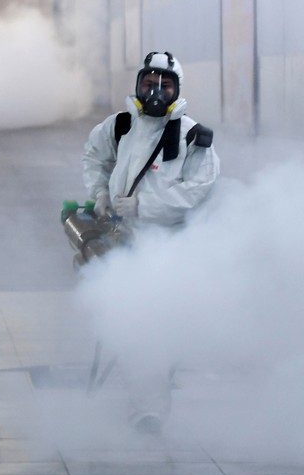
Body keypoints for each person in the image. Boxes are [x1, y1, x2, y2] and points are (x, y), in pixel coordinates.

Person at [81, 51, 220, 434]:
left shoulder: (193, 137)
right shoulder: (120, 126)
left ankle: (149, 407)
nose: (155, 91)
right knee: (129, 320)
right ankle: (143, 401)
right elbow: (94, 157)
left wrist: (144, 207)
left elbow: (199, 190)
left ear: (177, 90)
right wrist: (100, 195)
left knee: (154, 322)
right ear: (138, 84)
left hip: (167, 249)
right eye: (148, 82)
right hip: (122, 243)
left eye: (165, 85)